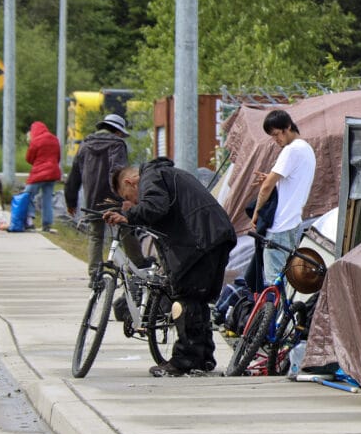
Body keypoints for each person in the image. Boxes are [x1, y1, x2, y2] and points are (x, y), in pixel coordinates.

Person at [105, 159, 235, 377]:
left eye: (128, 197)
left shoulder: (150, 177)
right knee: (198, 299)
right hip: (213, 234)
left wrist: (128, 214)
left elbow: (156, 207)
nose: (133, 200)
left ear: (130, 182)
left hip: (200, 238)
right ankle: (202, 358)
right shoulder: (165, 173)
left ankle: (184, 360)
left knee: (185, 298)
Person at [65, 113, 134, 277]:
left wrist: (70, 201)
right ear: (117, 132)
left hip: (92, 198)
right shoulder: (118, 145)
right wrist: (127, 197)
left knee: (95, 236)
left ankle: (94, 276)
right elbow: (119, 172)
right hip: (115, 197)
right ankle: (139, 266)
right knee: (126, 229)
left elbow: (74, 175)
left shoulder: (85, 145)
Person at [253, 109, 315, 286]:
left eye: (276, 135)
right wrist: (271, 179)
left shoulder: (291, 151)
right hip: (294, 224)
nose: (276, 140)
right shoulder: (306, 149)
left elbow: (266, 188)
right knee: (287, 281)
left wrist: (257, 212)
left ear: (288, 127)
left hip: (279, 226)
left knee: (274, 283)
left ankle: (274, 314)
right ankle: (283, 313)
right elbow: (293, 182)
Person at [23, 121, 63, 232]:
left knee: (28, 195)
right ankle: (47, 225)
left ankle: (29, 222)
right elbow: (58, 157)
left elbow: (29, 158)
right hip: (53, 174)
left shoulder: (36, 141)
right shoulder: (55, 139)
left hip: (38, 174)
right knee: (47, 199)